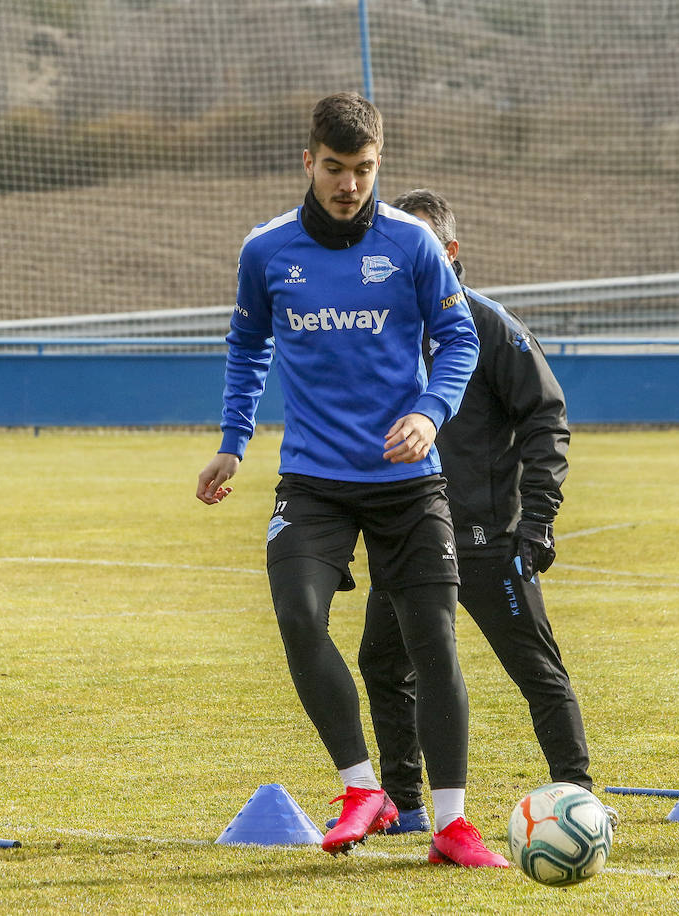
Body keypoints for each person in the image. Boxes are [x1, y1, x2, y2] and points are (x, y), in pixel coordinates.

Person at [195, 94, 509, 867]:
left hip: (408, 483)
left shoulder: (411, 244)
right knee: (299, 615)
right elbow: (247, 346)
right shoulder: (266, 251)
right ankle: (362, 787)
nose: (349, 184)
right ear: (309, 162)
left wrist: (432, 413)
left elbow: (459, 335)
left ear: (378, 166)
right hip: (314, 481)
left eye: (364, 170)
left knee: (432, 642)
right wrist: (234, 442)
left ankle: (453, 825)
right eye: (335, 169)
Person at [352, 188, 614, 833]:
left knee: (535, 669)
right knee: (383, 663)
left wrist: (538, 517)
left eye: (418, 243)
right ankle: (407, 806)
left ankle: (577, 798)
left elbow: (545, 417)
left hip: (486, 539)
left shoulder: (487, 324)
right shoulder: (379, 328)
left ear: (448, 251)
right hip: (409, 536)